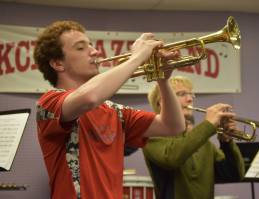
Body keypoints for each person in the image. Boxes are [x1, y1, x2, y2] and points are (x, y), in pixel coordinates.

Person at [33, 20, 186, 199]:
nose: (95, 51)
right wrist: (136, 58)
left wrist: (163, 80)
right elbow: (89, 97)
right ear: (58, 64)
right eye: (81, 48)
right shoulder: (49, 102)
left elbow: (173, 126)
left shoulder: (116, 112)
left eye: (91, 45)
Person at [143, 76, 245, 199]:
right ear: (161, 102)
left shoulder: (202, 140)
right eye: (181, 94)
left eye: (191, 95)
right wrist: (208, 125)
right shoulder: (152, 135)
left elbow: (233, 175)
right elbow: (172, 158)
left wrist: (226, 142)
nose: (190, 99)